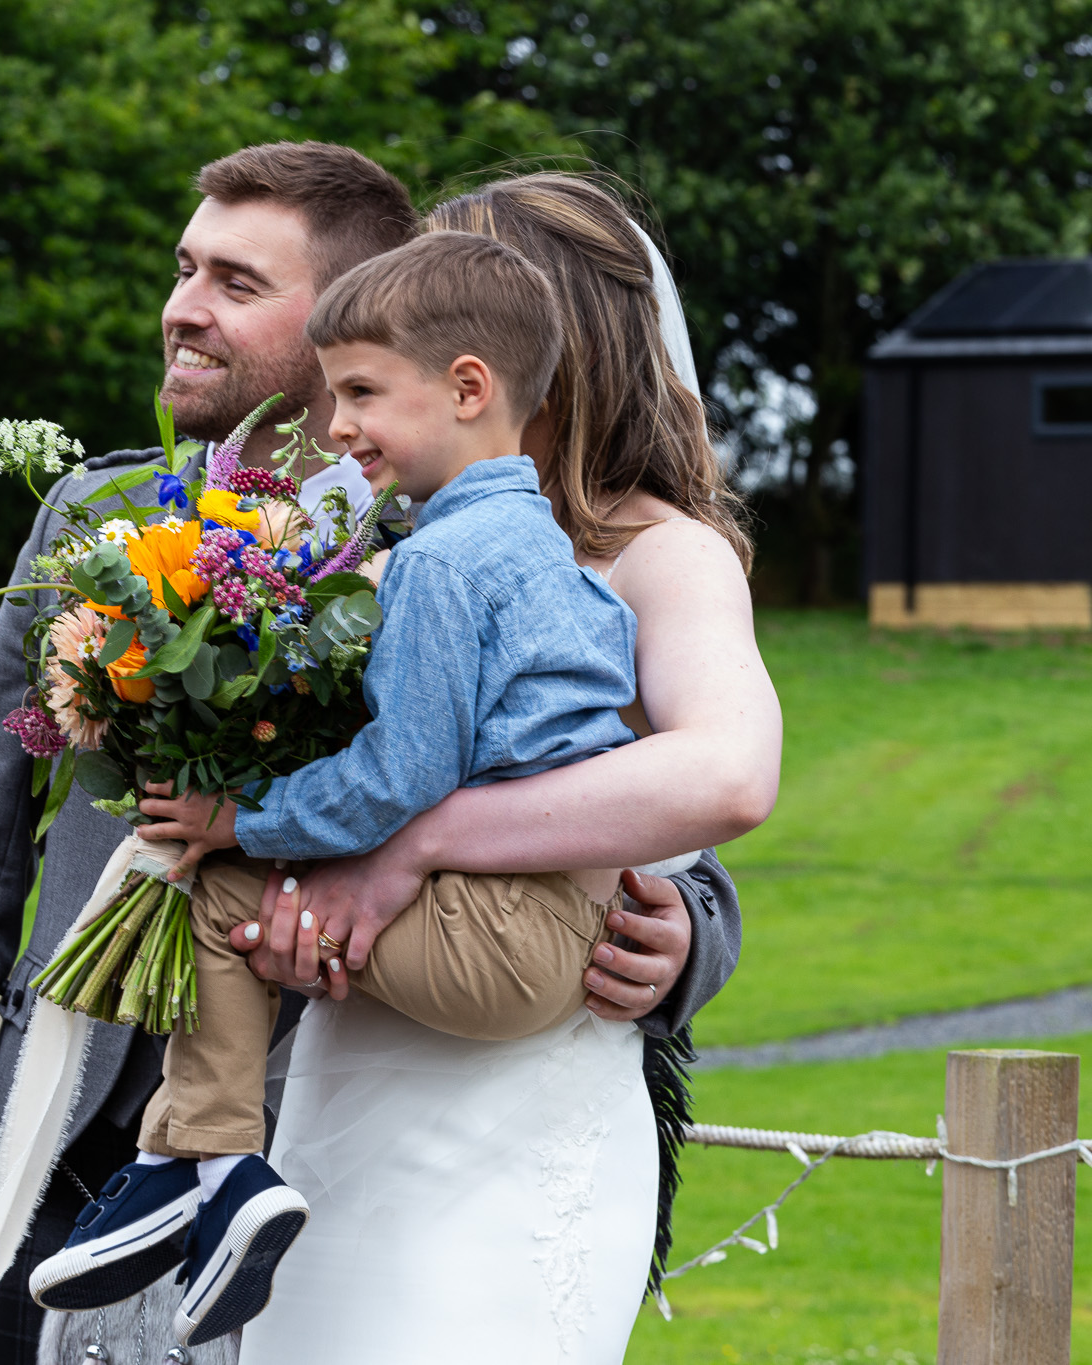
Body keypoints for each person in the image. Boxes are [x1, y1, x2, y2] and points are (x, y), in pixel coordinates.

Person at [0, 145, 746, 1365]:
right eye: (183, 269)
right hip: (59, 1125)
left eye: (235, 283)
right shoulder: (97, 520)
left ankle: (205, 1171)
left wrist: (688, 930)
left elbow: (605, 784)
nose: (183, 308)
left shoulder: (446, 543)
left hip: (306, 1145)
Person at [28, 228, 667, 1346]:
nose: (334, 426)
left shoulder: (437, 563)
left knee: (221, 894)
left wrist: (238, 818)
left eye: (361, 393)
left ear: (467, 389)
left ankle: (210, 1169)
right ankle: (189, 1169)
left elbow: (397, 778)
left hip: (499, 933)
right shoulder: (543, 546)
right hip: (563, 918)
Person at [222, 173, 782, 1363]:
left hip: (511, 1100)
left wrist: (421, 841)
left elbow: (725, 776)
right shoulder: (393, 545)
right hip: (351, 1075)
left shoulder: (656, 552)